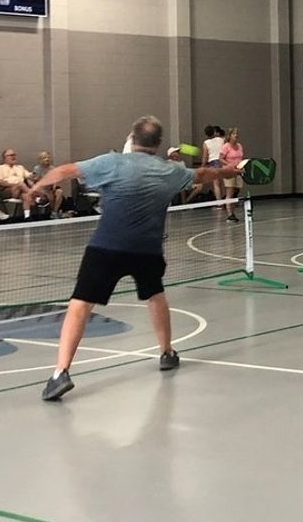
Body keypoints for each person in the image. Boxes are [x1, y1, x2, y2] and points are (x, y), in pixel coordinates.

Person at [32, 115, 241, 401]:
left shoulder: (111, 162)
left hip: (106, 248)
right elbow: (203, 174)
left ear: (132, 138)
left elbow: (66, 170)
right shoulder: (170, 170)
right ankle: (166, 352)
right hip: (147, 249)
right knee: (155, 295)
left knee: (80, 305)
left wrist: (36, 187)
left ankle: (60, 373)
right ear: (157, 144)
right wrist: (227, 172)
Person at [0, 148, 35, 219]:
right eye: (11, 155)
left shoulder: (20, 167)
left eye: (14, 155)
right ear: (5, 158)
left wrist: (35, 175)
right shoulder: (0, 168)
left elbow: (30, 176)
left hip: (20, 190)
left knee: (25, 195)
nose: (13, 157)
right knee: (20, 184)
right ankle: (35, 196)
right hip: (7, 191)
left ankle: (27, 217)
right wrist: (14, 185)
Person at [219, 127, 244, 222]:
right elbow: (220, 158)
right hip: (228, 171)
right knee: (230, 191)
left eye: (237, 134)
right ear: (230, 136)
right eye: (234, 134)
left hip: (238, 171)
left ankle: (232, 209)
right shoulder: (226, 146)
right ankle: (230, 214)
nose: (236, 135)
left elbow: (240, 157)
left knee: (237, 190)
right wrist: (229, 165)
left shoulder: (240, 146)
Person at [199, 125, 226, 203]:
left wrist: (202, 166)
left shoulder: (206, 143)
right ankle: (226, 200)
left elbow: (205, 157)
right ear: (214, 132)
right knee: (224, 183)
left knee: (216, 184)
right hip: (223, 161)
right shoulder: (222, 140)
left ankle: (219, 203)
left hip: (213, 163)